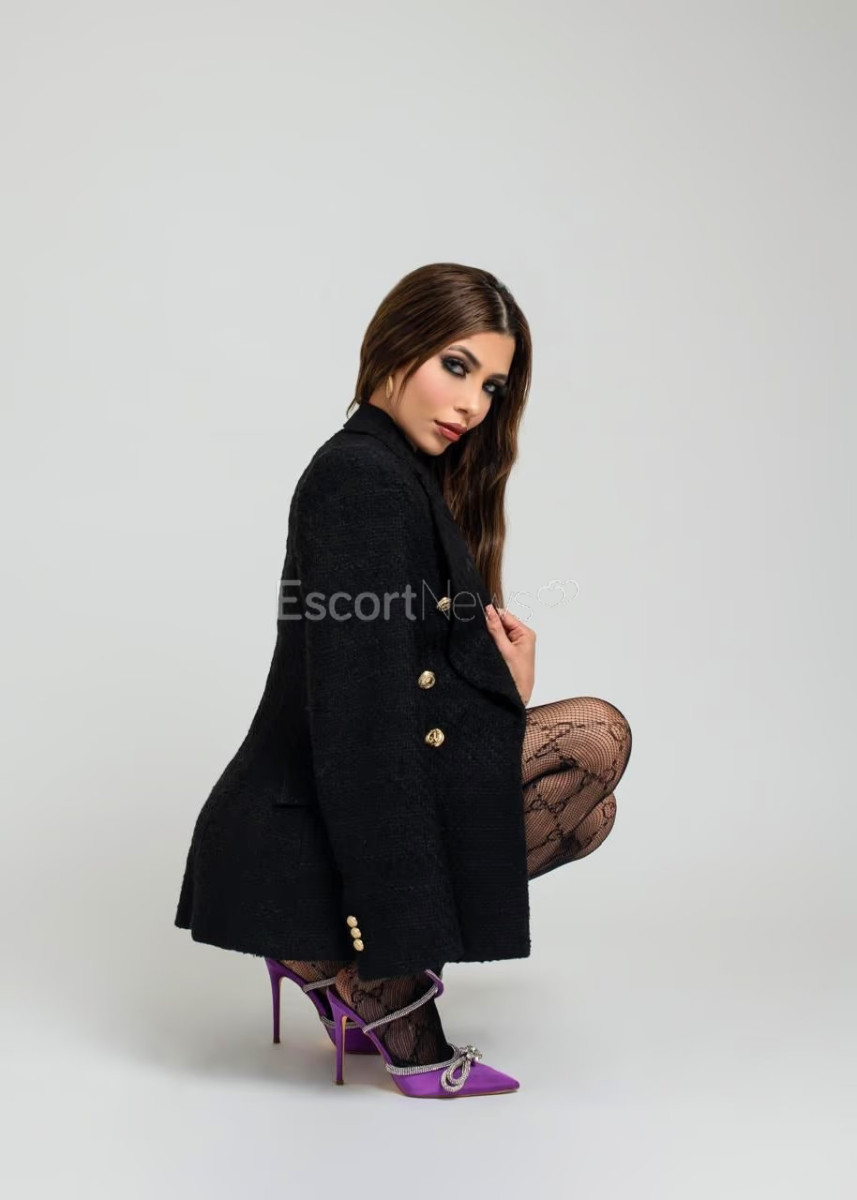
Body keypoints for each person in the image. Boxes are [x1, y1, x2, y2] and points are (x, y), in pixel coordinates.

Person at [174, 262, 633, 1098]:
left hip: (313, 816)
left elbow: (408, 685)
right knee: (595, 737)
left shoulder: (396, 472)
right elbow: (366, 725)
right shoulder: (361, 477)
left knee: (588, 813)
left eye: (491, 386)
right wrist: (400, 995)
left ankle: (341, 967)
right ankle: (376, 985)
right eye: (455, 366)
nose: (472, 405)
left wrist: (500, 686)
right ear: (396, 344)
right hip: (296, 832)